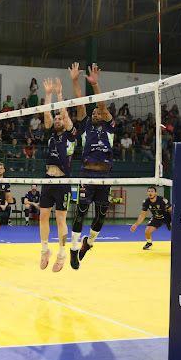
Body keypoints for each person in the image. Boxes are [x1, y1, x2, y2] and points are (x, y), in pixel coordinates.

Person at [68, 63, 115, 269]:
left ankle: (89, 243)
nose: (96, 114)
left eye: (98, 112)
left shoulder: (109, 127)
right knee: (81, 211)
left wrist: (96, 85)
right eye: (94, 112)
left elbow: (103, 106)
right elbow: (80, 104)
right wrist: (75, 81)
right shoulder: (86, 125)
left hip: (105, 176)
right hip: (87, 174)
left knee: (102, 214)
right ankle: (73, 249)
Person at [39, 77, 76, 272]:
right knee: (43, 216)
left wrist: (60, 94)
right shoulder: (51, 135)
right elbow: (47, 113)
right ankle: (45, 250)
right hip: (48, 179)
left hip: (63, 181)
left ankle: (62, 253)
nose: (57, 119)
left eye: (60, 118)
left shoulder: (70, 134)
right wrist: (48, 94)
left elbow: (64, 113)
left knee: (60, 219)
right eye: (56, 118)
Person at [131, 186, 172, 250]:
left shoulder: (162, 200)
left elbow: (171, 210)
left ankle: (179, 243)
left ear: (156, 193)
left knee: (174, 230)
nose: (150, 193)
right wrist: (136, 225)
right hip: (156, 217)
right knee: (147, 231)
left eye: (152, 191)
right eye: (149, 191)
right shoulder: (146, 202)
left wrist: (173, 220)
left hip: (167, 217)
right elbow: (142, 215)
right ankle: (149, 243)